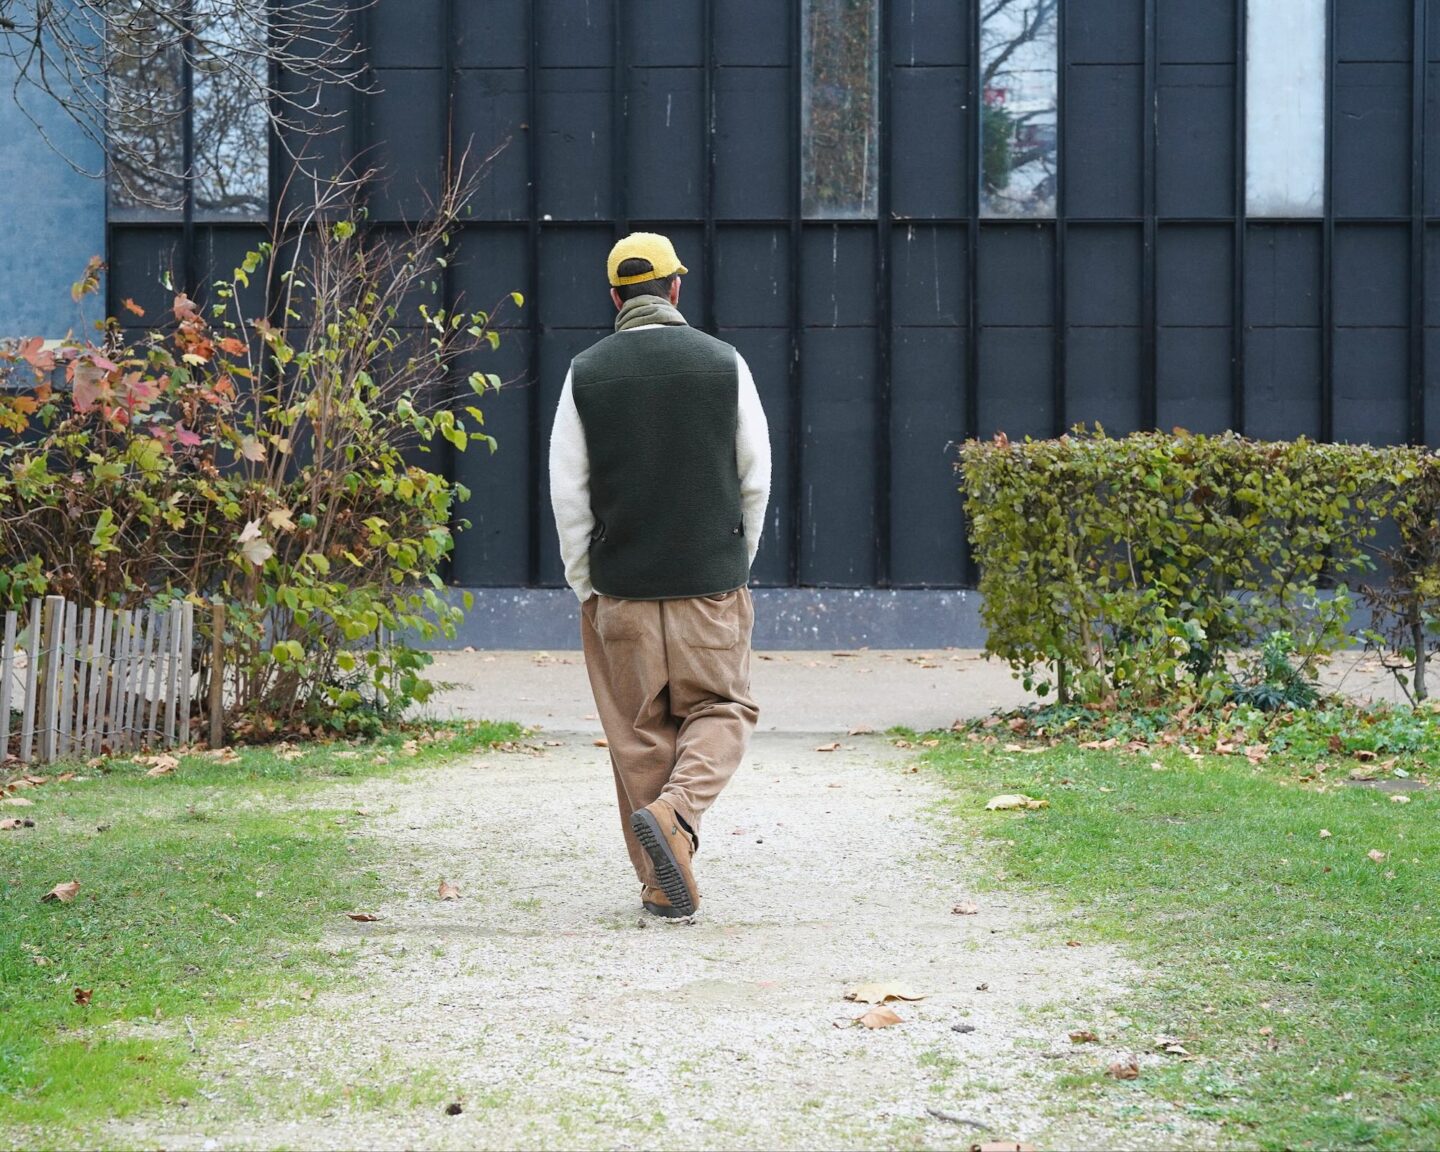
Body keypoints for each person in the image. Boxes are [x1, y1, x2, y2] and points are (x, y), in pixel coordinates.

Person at [548, 232, 771, 919]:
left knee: (638, 734)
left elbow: (569, 492)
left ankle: (659, 881)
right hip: (711, 584)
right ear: (676, 288)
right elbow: (754, 477)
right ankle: (678, 814)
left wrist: (587, 584)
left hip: (621, 590)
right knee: (723, 709)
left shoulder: (585, 372)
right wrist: (734, 561)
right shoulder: (724, 364)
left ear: (615, 296)